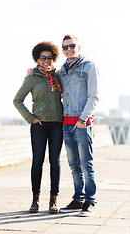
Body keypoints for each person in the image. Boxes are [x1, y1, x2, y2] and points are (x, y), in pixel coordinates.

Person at [13, 41, 63, 213]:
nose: (47, 61)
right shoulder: (31, 78)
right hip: (39, 125)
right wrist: (31, 118)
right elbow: (17, 100)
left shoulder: (58, 76)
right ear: (37, 58)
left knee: (55, 162)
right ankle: (35, 200)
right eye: (43, 57)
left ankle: (53, 201)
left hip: (57, 124)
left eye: (50, 58)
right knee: (37, 162)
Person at [57, 35, 99, 217]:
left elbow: (94, 96)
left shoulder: (89, 66)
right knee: (73, 165)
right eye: (65, 47)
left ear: (78, 47)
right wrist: (31, 71)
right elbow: (47, 78)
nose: (69, 49)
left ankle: (90, 201)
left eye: (72, 46)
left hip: (82, 123)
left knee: (86, 164)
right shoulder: (62, 70)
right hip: (66, 122)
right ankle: (78, 199)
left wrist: (83, 120)